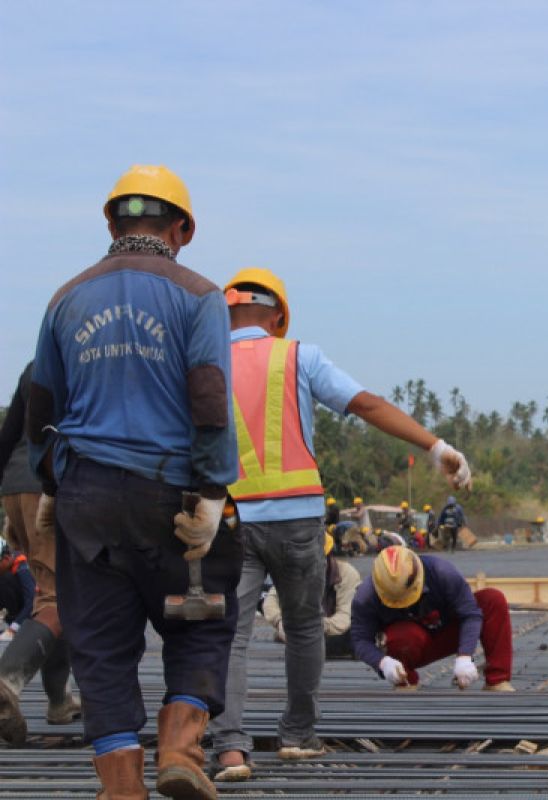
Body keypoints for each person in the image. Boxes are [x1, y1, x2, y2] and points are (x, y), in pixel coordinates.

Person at [28, 164, 241, 799]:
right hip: (169, 492)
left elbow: (44, 408)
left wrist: (50, 486)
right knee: (200, 620)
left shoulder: (65, 298)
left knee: (98, 641)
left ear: (111, 222)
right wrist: (211, 492)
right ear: (181, 229)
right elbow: (208, 398)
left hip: (87, 498)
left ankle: (121, 785)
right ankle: (179, 749)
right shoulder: (198, 294)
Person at [211, 267, 471, 782]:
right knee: (306, 627)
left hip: (233, 519)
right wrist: (435, 447)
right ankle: (298, 736)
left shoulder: (205, 362)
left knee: (231, 637)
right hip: (299, 520)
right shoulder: (297, 356)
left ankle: (231, 751)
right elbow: (366, 404)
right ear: (279, 315)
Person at [0, 361, 79, 743]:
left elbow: (10, 432)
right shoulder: (90, 359)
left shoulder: (34, 366)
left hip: (15, 485)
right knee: (56, 599)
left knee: (57, 591)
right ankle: (6, 683)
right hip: (51, 485)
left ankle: (59, 701)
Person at [351, 546, 514, 692]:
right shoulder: (365, 597)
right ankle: (406, 682)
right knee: (400, 636)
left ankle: (497, 681)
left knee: (493, 600)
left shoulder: (441, 572)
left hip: (449, 632)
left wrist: (465, 656)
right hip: (410, 644)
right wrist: (383, 662)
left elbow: (470, 613)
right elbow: (360, 640)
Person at [263, 534, 362, 660]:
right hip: (303, 629)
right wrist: (280, 622)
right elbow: (270, 600)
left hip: (336, 632)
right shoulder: (295, 569)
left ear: (327, 556)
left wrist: (313, 625)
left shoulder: (347, 574)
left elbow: (344, 618)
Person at [0, 545, 35, 640]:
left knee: (5, 579)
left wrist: (13, 628)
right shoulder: (11, 565)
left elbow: (32, 601)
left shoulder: (23, 568)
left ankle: (18, 622)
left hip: (37, 611)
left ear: (6, 558)